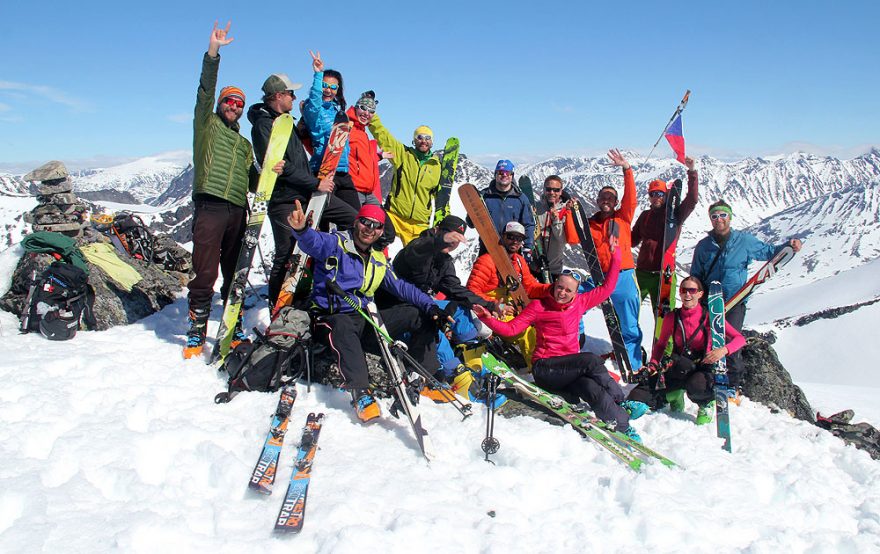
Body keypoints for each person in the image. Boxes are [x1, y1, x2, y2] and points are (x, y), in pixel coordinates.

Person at [286, 202, 449, 423]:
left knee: (418, 315)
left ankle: (424, 377)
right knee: (343, 326)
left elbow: (401, 287)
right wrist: (302, 230)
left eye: (376, 225)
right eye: (365, 222)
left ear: (381, 231)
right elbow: (314, 243)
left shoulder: (378, 258)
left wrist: (431, 307)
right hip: (330, 319)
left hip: (364, 319)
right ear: (356, 222)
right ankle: (360, 392)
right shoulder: (336, 243)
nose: (369, 228)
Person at [473, 240, 647, 441]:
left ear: (576, 292)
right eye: (559, 287)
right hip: (545, 369)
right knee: (589, 360)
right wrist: (487, 318)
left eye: (568, 290)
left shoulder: (581, 303)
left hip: (569, 371)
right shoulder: (539, 306)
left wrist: (616, 254)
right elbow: (512, 329)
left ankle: (622, 425)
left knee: (590, 387)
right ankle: (621, 401)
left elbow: (608, 288)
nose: (562, 293)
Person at [248, 72, 358, 307]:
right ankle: (279, 309)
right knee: (287, 254)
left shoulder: (285, 122)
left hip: (307, 194)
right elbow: (279, 166)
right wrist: (316, 183)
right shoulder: (264, 125)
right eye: (290, 93)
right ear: (278, 96)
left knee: (354, 220)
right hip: (285, 199)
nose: (293, 97)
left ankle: (333, 282)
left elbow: (292, 162)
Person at [185, 21, 255, 359]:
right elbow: (204, 92)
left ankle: (233, 322)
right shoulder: (207, 125)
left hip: (237, 210)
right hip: (211, 206)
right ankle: (198, 326)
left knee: (233, 270)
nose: (234, 106)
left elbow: (254, 179)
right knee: (205, 269)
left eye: (239, 104)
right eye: (230, 101)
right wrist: (213, 53)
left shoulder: (244, 144)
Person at [380, 215, 502, 403]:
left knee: (459, 309)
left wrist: (488, 304)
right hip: (399, 311)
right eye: (449, 236)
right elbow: (418, 251)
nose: (452, 244)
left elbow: (454, 288)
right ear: (437, 231)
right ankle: (457, 377)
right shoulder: (417, 248)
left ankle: (469, 361)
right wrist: (439, 242)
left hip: (424, 304)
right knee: (433, 319)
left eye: (456, 241)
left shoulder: (444, 261)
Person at [690, 200, 802, 388]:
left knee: (731, 344)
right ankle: (707, 382)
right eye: (715, 216)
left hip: (735, 301)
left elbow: (769, 253)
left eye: (723, 215)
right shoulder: (703, 246)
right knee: (706, 343)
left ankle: (733, 385)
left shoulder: (744, 241)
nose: (719, 220)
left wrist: (789, 246)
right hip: (710, 303)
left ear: (730, 217)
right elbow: (696, 275)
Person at [644, 276, 746, 424]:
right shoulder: (673, 317)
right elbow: (661, 345)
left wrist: (723, 350)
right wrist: (653, 363)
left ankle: (705, 403)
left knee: (696, 385)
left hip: (703, 367)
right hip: (681, 365)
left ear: (700, 294)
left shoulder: (711, 317)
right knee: (655, 391)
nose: (687, 294)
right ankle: (675, 394)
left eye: (692, 290)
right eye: (683, 290)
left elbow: (740, 339)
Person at [586, 149, 642, 371]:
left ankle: (633, 364)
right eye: (603, 198)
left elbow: (632, 198)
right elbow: (572, 236)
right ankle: (574, 344)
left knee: (628, 323)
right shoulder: (589, 224)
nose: (606, 201)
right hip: (600, 278)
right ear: (598, 201)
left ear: (616, 202)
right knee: (572, 306)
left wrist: (626, 169)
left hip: (624, 276)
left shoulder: (623, 216)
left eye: (610, 198)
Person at [467, 221, 552, 368]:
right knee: (525, 332)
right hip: (491, 309)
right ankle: (538, 370)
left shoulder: (519, 261)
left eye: (519, 239)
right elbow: (471, 290)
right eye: (511, 237)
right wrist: (496, 304)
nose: (515, 241)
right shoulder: (487, 261)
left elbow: (530, 287)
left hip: (511, 306)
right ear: (503, 237)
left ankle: (545, 364)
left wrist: (552, 289)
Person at [631, 156, 699, 313]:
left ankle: (665, 339)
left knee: (663, 316)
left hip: (664, 274)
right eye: (652, 194)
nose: (656, 197)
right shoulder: (645, 215)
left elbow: (692, 200)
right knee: (631, 310)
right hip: (642, 272)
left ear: (666, 195)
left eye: (660, 194)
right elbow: (633, 240)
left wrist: (692, 172)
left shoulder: (675, 215)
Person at [367, 113, 444, 245]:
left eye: (427, 138)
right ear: (414, 140)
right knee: (376, 243)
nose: (423, 141)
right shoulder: (403, 154)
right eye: (419, 137)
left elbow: (441, 197)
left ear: (432, 142)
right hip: (394, 215)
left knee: (414, 261)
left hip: (419, 224)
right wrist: (371, 116)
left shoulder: (437, 166)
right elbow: (384, 136)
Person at [302, 51, 360, 212]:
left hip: (342, 171)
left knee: (355, 217)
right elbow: (314, 103)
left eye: (333, 87)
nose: (328, 90)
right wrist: (318, 75)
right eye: (325, 86)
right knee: (321, 218)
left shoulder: (337, 112)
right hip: (323, 170)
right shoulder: (314, 110)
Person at [477, 160, 536, 257]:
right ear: (495, 175)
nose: (504, 175)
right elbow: (472, 222)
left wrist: (528, 247)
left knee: (511, 273)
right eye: (500, 173)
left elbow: (528, 224)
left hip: (512, 248)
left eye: (508, 173)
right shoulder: (485, 196)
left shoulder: (520, 198)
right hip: (488, 247)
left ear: (512, 176)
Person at [345, 91, 392, 207]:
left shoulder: (363, 133)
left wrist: (380, 156)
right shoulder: (347, 128)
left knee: (382, 222)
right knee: (355, 223)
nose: (367, 113)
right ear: (356, 107)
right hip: (355, 190)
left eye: (371, 111)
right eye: (363, 108)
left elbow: (362, 158)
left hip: (368, 192)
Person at [534, 174, 579, 279]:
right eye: (549, 189)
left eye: (556, 190)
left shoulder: (566, 210)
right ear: (544, 189)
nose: (552, 193)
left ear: (561, 191)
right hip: (533, 266)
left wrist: (555, 220)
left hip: (554, 269)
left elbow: (562, 238)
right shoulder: (536, 207)